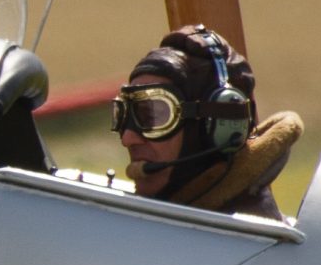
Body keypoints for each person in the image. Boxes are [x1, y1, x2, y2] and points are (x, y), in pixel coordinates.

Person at [111, 25, 303, 219]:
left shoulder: (244, 234)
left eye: (153, 115)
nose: (128, 138)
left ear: (219, 129)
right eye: (123, 116)